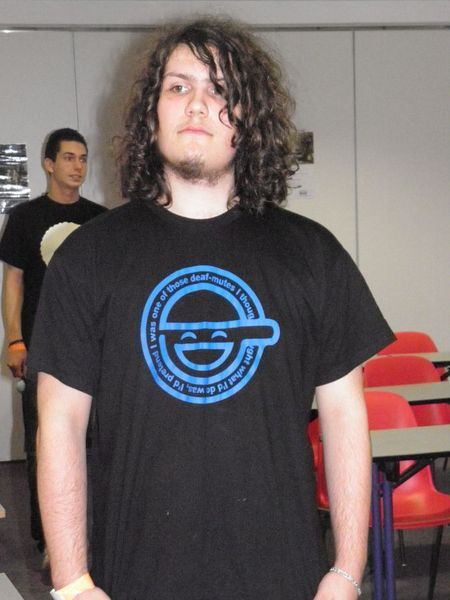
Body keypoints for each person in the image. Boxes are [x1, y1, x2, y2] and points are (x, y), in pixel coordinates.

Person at [30, 18, 393, 600]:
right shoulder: (89, 256)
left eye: (220, 89)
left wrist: (347, 571)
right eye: (178, 86)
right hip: (134, 579)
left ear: (249, 118)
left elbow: (345, 417)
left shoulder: (312, 253)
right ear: (152, 114)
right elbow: (60, 424)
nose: (197, 102)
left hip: (284, 579)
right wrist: (72, 583)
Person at [0, 128, 106, 557]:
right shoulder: (24, 218)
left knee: (97, 442)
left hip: (93, 349)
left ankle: (96, 532)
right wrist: (14, 339)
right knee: (42, 442)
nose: (78, 166)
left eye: (82, 158)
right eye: (68, 158)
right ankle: (50, 537)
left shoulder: (101, 219)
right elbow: (13, 282)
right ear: (48, 164)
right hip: (41, 347)